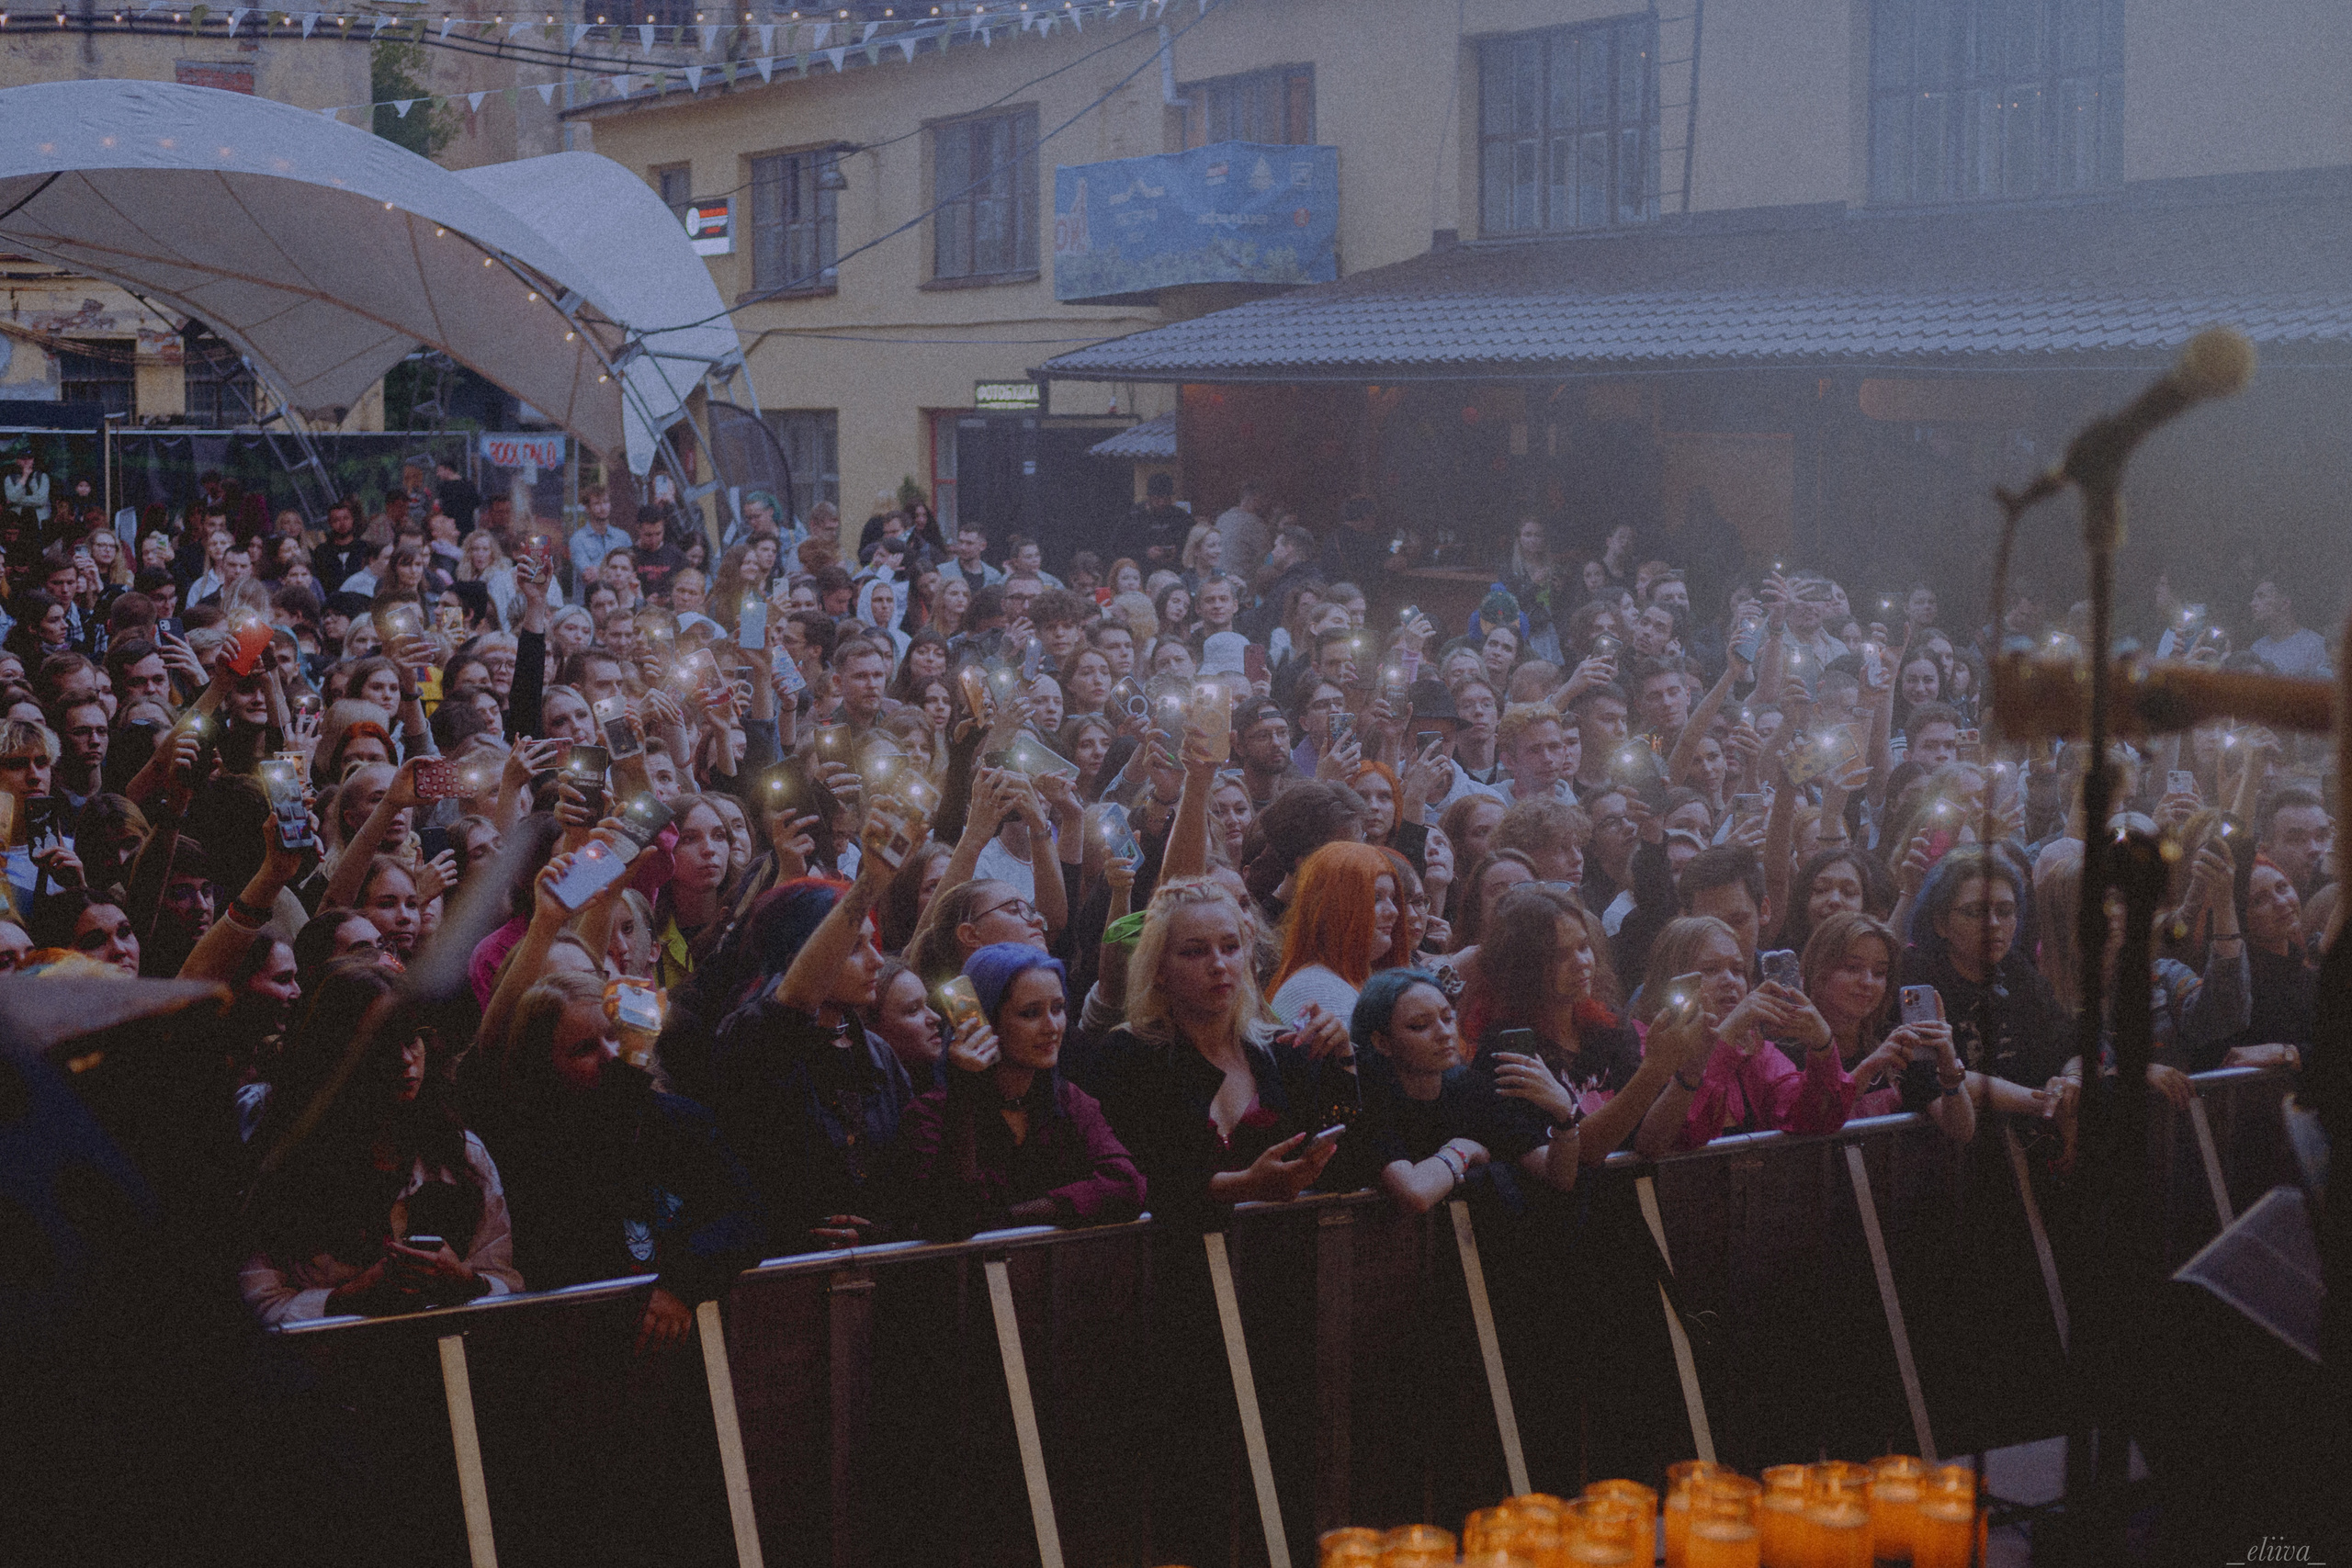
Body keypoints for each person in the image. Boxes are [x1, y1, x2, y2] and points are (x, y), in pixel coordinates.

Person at [489, 973, 765, 1349]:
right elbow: (594, 1182)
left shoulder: (683, 1121)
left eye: (617, 1037)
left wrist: (682, 1284)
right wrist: (627, 1079)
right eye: (584, 1049)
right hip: (589, 1356)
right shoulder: (527, 1146)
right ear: (543, 1063)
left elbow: (746, 1216)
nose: (610, 1056)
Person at [239, 960, 523, 1323]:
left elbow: (507, 1283)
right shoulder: (288, 1162)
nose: (405, 1060)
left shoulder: (460, 1153)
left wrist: (465, 1281)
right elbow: (257, 1304)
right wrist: (348, 1298)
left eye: (412, 1040)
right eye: (382, 1044)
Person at [1076, 876, 1355, 1227]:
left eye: (1230, 947)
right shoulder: (1128, 1054)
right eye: (1194, 951)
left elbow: (1350, 1166)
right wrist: (1241, 1186)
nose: (1218, 964)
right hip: (1169, 1265)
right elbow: (1124, 1181)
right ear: (1159, 969)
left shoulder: (1283, 1050)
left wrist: (1344, 1059)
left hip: (1277, 1259)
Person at [905, 943, 1145, 1240]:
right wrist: (964, 1087)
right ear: (984, 1020)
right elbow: (950, 1218)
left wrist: (1018, 1215)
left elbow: (1126, 1185)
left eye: (1058, 1009)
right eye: (1030, 1013)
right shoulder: (931, 1113)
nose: (1052, 1027)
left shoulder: (1070, 1100)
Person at [1349, 967, 1578, 1214]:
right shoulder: (1368, 1097)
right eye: (1419, 1026)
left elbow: (1559, 1178)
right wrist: (1462, 1149)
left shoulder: (1470, 1088)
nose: (1444, 1033)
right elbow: (1415, 1194)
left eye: (1447, 1018)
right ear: (1382, 1042)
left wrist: (1564, 1115)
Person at [1631, 915, 1855, 1154]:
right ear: (1675, 981)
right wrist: (1724, 1039)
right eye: (1710, 969)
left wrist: (1824, 1046)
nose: (1730, 980)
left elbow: (1815, 1120)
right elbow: (1674, 1137)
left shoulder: (1754, 1049)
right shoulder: (1645, 1045)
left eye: (1738, 970)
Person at [1799, 910, 1974, 1138]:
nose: (1868, 982)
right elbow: (1814, 1121)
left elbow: (1961, 1130)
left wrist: (1949, 1065)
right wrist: (1873, 1064)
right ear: (1818, 971)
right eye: (1852, 968)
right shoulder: (1787, 1045)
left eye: (1880, 972)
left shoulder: (1894, 1039)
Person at [1265, 841, 1397, 1027]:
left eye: (1392, 898)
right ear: (1336, 908)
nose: (1394, 911)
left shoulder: (1352, 979)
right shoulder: (1316, 988)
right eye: (1376, 898)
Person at [2247, 576, 2330, 679]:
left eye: (2261, 596)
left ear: (2285, 603)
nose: (2252, 603)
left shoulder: (2314, 645)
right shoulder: (2257, 648)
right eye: (2253, 597)